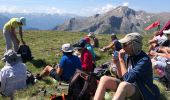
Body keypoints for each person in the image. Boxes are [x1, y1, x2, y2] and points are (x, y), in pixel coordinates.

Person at [94, 33, 160, 100]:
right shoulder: (128, 55)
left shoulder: (143, 60)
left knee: (124, 85)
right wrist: (117, 62)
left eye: (125, 44)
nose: (122, 47)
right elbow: (121, 77)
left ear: (134, 45)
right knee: (104, 79)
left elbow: (127, 79)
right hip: (130, 86)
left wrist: (121, 60)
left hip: (143, 90)